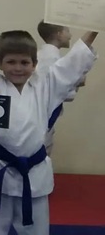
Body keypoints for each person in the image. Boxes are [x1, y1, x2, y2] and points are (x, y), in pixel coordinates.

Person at [0, 0, 98, 235]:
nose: (18, 68)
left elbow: (75, 60)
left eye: (24, 62)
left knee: (36, 231)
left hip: (34, 175)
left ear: (34, 64)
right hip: (0, 173)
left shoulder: (46, 86)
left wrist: (97, 25)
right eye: (11, 62)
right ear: (0, 63)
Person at [35, 20, 86, 155]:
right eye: (67, 31)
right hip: (42, 118)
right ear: (58, 34)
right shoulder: (49, 58)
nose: (70, 35)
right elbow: (54, 89)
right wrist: (76, 81)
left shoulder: (47, 56)